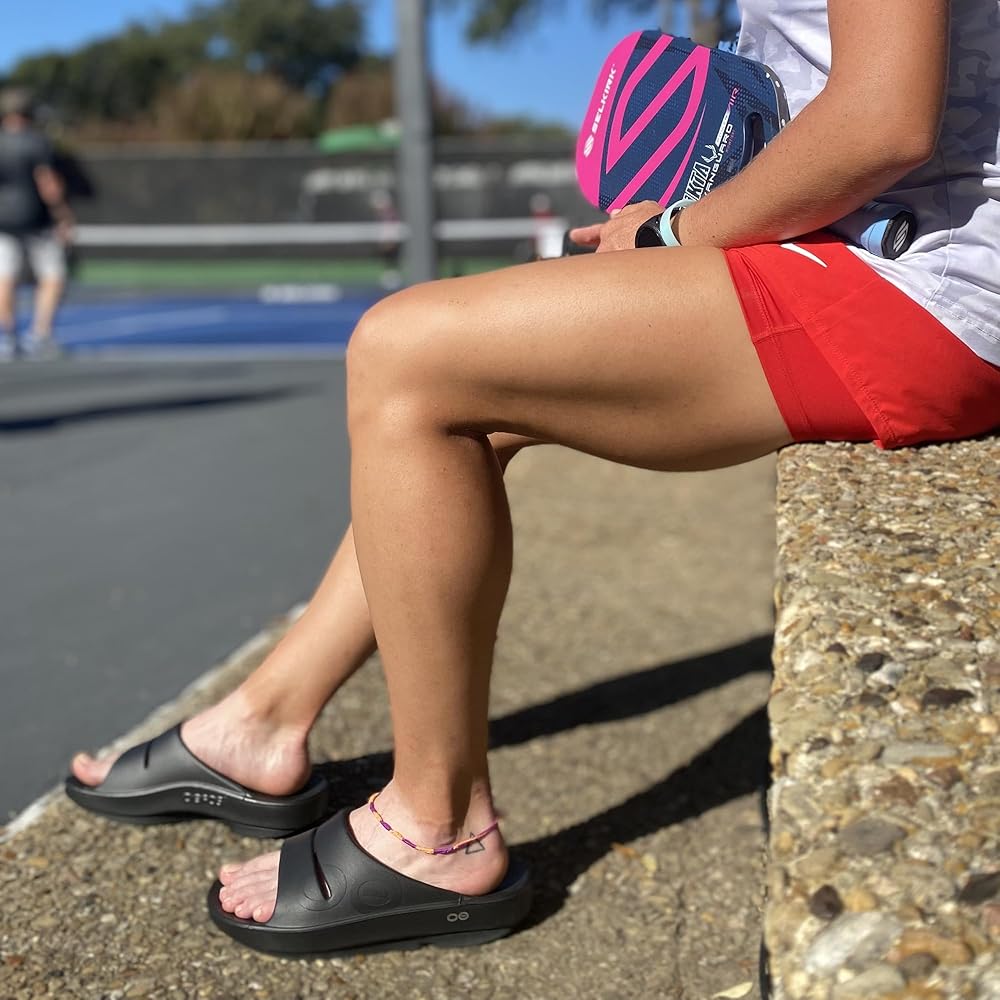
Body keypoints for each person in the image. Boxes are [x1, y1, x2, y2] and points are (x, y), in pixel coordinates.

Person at [67, 0, 999, 955]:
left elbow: (882, 119)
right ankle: (262, 723)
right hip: (862, 243)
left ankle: (435, 831)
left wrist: (673, 233)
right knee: (468, 388)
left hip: (924, 280)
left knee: (407, 355)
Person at [0, 87, 74, 360]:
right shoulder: (37, 142)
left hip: (4, 222)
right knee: (53, 276)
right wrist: (63, 215)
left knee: (5, 277)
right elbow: (48, 184)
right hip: (36, 221)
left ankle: (8, 336)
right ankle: (41, 334)